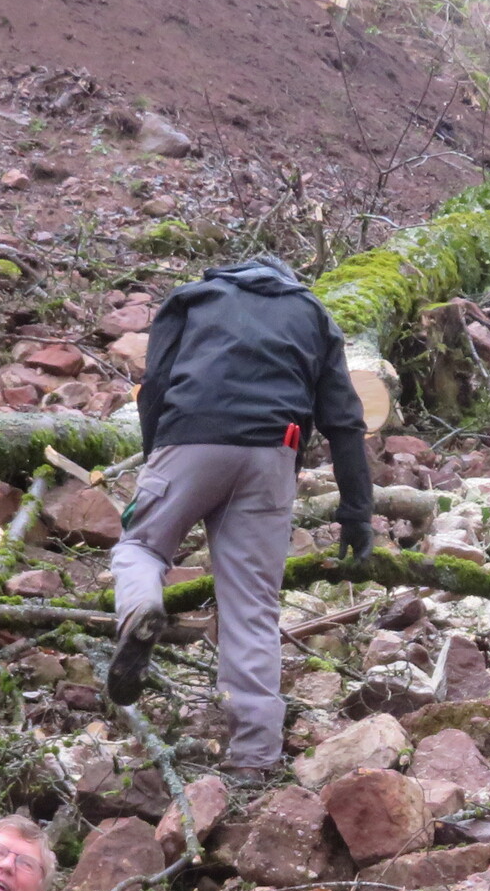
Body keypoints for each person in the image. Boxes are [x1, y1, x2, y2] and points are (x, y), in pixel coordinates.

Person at [107, 256, 372, 779]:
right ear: (287, 280)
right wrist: (356, 512)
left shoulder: (192, 298)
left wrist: (157, 454)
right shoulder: (312, 312)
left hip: (191, 439)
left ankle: (140, 609)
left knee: (141, 548)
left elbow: (155, 384)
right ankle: (254, 759)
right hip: (273, 453)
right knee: (251, 607)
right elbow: (344, 420)